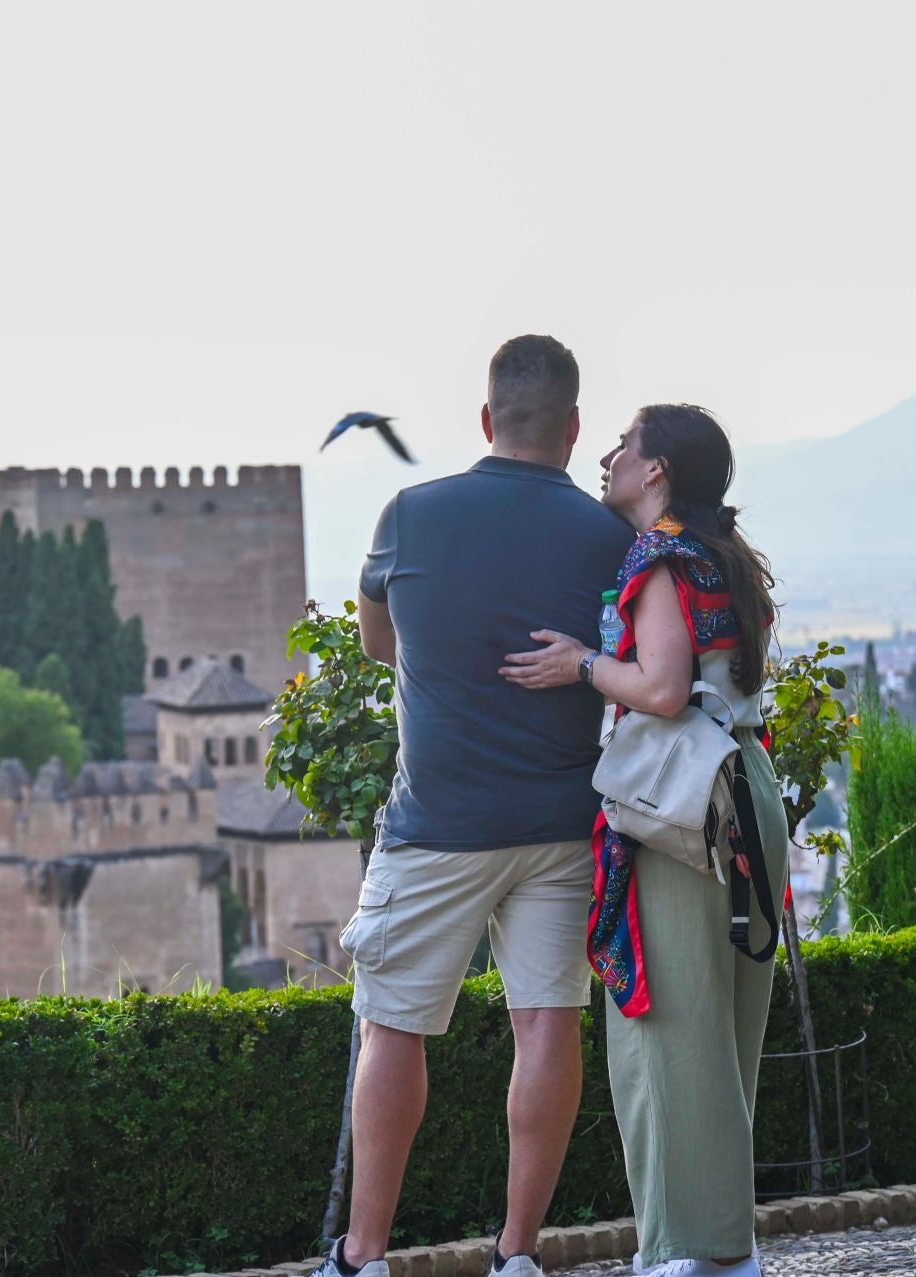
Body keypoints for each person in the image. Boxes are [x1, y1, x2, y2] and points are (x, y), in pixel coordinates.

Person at [315, 335, 635, 1277]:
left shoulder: (410, 513)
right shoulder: (608, 536)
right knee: (547, 1022)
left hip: (437, 824)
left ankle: (364, 1257)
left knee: (393, 1025)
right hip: (563, 822)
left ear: (488, 418)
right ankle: (518, 1254)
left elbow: (380, 643)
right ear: (573, 428)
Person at [499, 403, 789, 1277]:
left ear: (657, 468)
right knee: (725, 1035)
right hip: (744, 789)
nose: (609, 457)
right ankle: (721, 1249)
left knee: (668, 1031)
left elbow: (661, 688)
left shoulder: (659, 557)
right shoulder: (721, 555)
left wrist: (580, 664)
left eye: (625, 444)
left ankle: (687, 1254)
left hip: (681, 805)